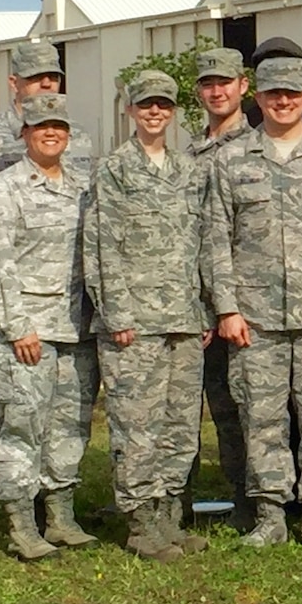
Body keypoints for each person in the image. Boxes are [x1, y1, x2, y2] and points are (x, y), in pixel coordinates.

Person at [203, 56, 302, 555]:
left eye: (293, 93)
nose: (283, 101)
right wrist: (226, 308)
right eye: (274, 94)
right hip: (256, 319)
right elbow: (215, 240)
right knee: (262, 418)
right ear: (258, 98)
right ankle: (270, 514)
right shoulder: (232, 161)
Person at [84, 69, 209, 562]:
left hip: (182, 316)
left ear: (174, 112)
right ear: (131, 111)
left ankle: (168, 517)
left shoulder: (188, 169)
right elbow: (100, 247)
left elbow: (199, 244)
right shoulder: (114, 169)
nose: (155, 113)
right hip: (133, 322)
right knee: (138, 425)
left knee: (179, 425)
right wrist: (115, 312)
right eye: (145, 105)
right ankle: (140, 523)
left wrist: (202, 309)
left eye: (163, 105)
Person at [0, 93, 99, 560]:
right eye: (41, 125)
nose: (51, 133)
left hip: (74, 328)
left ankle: (61, 516)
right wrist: (17, 326)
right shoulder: (4, 189)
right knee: (24, 428)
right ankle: (22, 524)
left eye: (59, 126)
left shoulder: (82, 187)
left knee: (70, 427)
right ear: (25, 133)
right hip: (22, 333)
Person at [189, 46, 254, 526]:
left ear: (242, 86)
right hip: (194, 305)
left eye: (225, 82)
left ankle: (251, 497)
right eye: (209, 83)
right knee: (192, 408)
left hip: (245, 305)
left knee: (244, 410)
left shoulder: (259, 147)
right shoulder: (186, 155)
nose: (217, 90)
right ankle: (177, 502)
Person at [0, 41, 94, 184]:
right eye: (36, 76)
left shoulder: (78, 134)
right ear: (13, 83)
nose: (47, 84)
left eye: (53, 76)